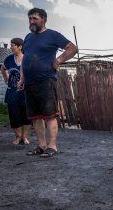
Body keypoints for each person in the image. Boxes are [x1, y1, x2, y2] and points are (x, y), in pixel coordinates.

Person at [17, 7, 78, 158]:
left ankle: (52, 146)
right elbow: (25, 59)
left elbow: (72, 48)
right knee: (35, 117)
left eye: (35, 19)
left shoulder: (52, 35)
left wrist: (59, 60)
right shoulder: (28, 37)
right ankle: (41, 146)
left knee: (49, 115)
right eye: (30, 19)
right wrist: (22, 78)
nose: (31, 21)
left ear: (43, 19)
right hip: (29, 83)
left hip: (45, 81)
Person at [1, 38, 31, 145]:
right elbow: (2, 68)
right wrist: (6, 79)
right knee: (14, 116)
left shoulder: (28, 58)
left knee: (26, 117)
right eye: (10, 45)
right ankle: (18, 137)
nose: (11, 47)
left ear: (20, 47)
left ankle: (25, 137)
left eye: (13, 45)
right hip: (12, 94)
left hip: (26, 94)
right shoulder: (9, 59)